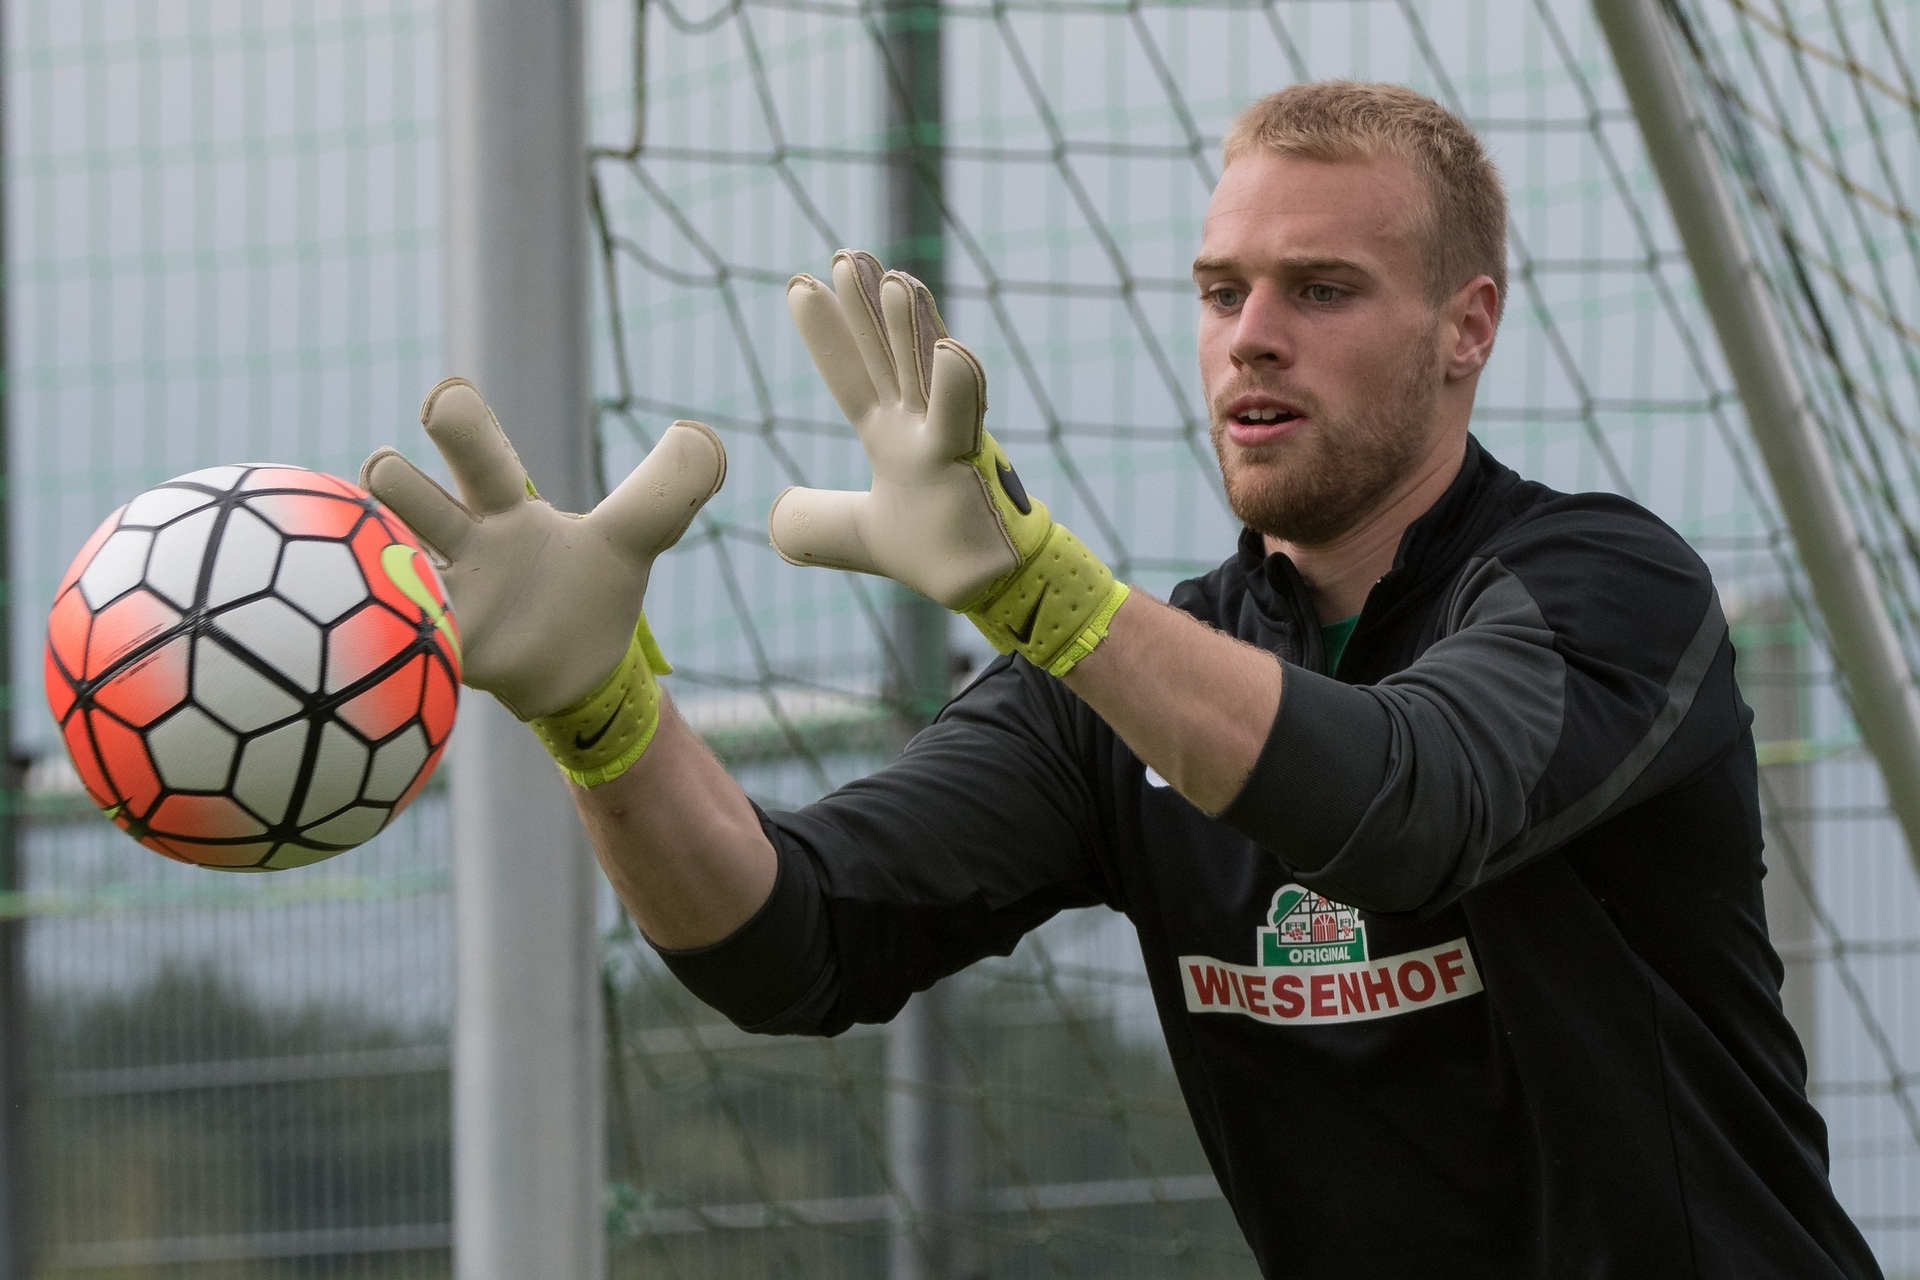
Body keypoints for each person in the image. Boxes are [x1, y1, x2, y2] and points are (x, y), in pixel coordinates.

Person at [363, 81, 1882, 1278]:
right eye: (1222, 293)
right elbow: (787, 941)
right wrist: (605, 722)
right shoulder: (1112, 680)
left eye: (1323, 290)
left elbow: (1411, 803)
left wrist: (1051, 599)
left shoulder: (1606, 587)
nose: (1253, 339)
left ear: (1465, 327)